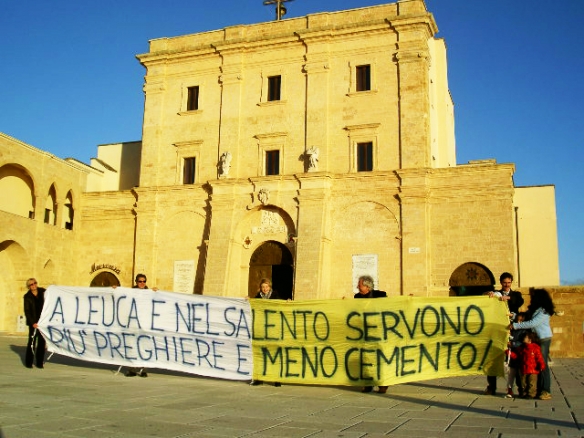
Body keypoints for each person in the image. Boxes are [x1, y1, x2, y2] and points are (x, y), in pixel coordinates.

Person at [484, 272, 524, 396]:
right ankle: (492, 387)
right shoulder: (496, 294)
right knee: (493, 357)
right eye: (504, 283)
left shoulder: (516, 295)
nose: (507, 285)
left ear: (511, 282)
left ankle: (520, 388)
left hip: (513, 330)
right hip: (497, 329)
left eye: (508, 282)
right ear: (501, 283)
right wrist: (488, 294)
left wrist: (508, 298)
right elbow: (483, 296)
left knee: (515, 359)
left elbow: (519, 301)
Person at [512, 288, 555, 400]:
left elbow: (532, 323)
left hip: (543, 339)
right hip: (536, 339)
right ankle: (536, 390)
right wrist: (512, 316)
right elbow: (524, 316)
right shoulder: (535, 309)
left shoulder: (544, 311)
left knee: (542, 363)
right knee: (534, 363)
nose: (531, 299)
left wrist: (515, 326)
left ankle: (545, 390)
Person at [354, 275, 388, 394]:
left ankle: (383, 383)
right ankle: (368, 384)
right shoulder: (357, 297)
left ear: (367, 286)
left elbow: (392, 306)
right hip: (364, 332)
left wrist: (407, 300)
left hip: (378, 332)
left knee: (379, 358)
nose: (357, 286)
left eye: (360, 284)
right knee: (366, 358)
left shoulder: (381, 295)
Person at [250, 278, 282, 386]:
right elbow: (251, 305)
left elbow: (282, 305)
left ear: (270, 287)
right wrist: (247, 300)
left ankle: (276, 379)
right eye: (263, 287)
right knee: (261, 354)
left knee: (274, 354)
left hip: (273, 329)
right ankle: (259, 378)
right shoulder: (258, 297)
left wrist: (288, 302)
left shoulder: (276, 296)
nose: (264, 289)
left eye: (266, 287)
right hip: (261, 329)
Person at [125, 273, 157, 377]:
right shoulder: (131, 292)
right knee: (132, 346)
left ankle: (143, 370)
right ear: (136, 282)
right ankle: (132, 369)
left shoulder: (150, 293)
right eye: (140, 281)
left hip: (145, 324)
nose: (142, 283)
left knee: (145, 346)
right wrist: (115, 290)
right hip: (133, 324)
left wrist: (157, 292)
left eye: (144, 281)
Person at [23, 278, 46, 369]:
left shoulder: (42, 291)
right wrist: (33, 323)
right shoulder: (27, 296)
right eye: (31, 284)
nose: (34, 285)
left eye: (35, 283)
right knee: (32, 343)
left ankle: (39, 363)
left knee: (41, 343)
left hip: (42, 322)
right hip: (34, 323)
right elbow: (27, 311)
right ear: (29, 287)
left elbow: (52, 293)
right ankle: (29, 363)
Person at [515, 331, 546, 399]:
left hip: (533, 369)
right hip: (524, 368)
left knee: (532, 383)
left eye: (525, 337)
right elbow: (517, 355)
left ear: (530, 339)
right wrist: (510, 353)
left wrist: (541, 365)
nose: (524, 338)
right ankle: (524, 393)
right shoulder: (522, 348)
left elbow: (539, 357)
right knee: (523, 382)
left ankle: (531, 394)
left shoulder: (535, 348)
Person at [505, 312, 528, 398]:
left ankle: (522, 390)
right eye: (517, 318)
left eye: (520, 319)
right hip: (512, 354)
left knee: (519, 374)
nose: (518, 321)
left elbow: (522, 342)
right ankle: (509, 390)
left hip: (519, 355)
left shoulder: (524, 331)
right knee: (511, 373)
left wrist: (513, 343)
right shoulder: (512, 328)